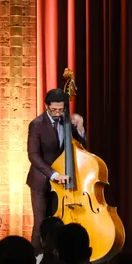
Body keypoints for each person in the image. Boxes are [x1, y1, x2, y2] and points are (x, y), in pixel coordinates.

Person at [26, 88, 87, 252]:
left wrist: (80, 127)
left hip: (62, 184)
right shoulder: (37, 124)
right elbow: (33, 155)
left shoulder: (67, 122)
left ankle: (56, 257)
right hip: (41, 181)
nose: (58, 113)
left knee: (58, 222)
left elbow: (82, 147)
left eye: (61, 109)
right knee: (40, 223)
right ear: (46, 106)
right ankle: (35, 258)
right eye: (54, 110)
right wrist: (54, 174)